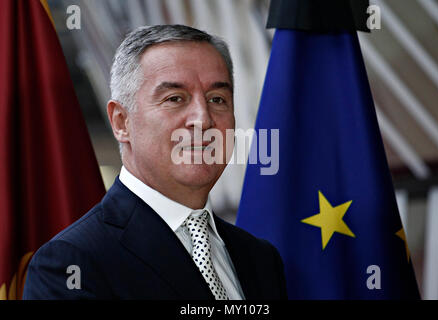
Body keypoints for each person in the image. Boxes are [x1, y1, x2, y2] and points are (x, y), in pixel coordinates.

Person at [23, 25, 287, 300]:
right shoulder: (70, 262)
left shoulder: (260, 258)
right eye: (175, 99)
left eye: (217, 99)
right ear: (121, 122)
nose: (203, 119)